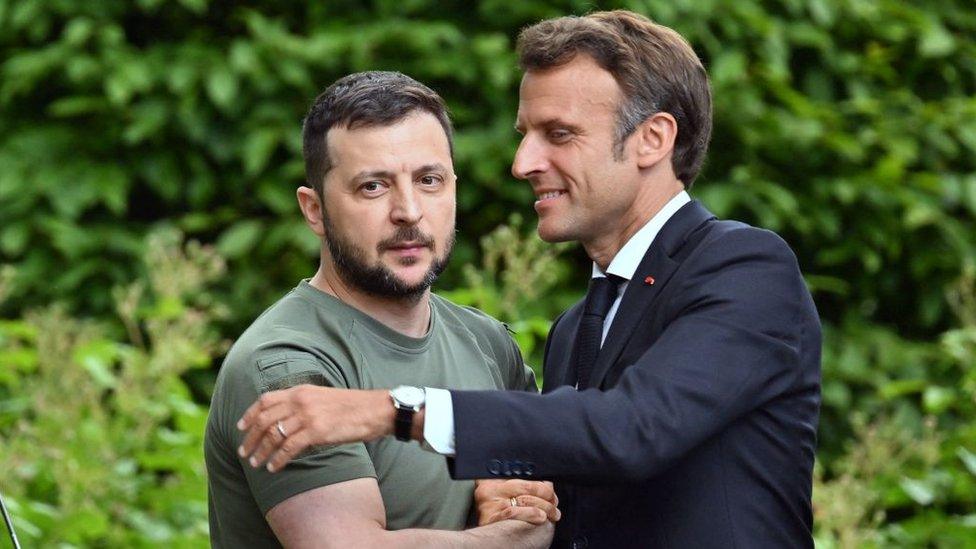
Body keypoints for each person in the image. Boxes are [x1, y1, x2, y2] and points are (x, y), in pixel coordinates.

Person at [238, 11, 822, 548]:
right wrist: (515, 499)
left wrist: (392, 411)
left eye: (559, 134)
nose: (523, 163)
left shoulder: (745, 269)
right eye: (526, 133)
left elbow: (632, 429)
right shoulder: (573, 330)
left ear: (653, 139)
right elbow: (569, 486)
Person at [205, 71, 559, 548]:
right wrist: (518, 536)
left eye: (429, 180)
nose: (409, 210)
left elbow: (543, 490)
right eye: (373, 187)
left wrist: (514, 504)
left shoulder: (488, 342)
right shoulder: (286, 368)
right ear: (314, 210)